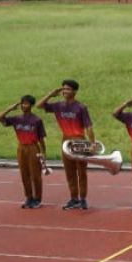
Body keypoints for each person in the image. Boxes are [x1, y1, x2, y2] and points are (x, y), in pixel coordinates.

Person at [37, 79, 95, 210]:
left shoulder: (81, 107)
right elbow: (39, 105)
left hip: (79, 140)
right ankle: (74, 198)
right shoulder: (58, 106)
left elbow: (89, 126)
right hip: (66, 140)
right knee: (69, 171)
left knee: (81, 171)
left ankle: (83, 199)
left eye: (68, 89)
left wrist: (92, 143)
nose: (65, 91)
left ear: (75, 91)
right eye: (63, 89)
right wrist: (51, 94)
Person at [0, 95, 47, 208]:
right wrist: (10, 108)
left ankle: (37, 199)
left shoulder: (37, 120)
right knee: (24, 175)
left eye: (27, 103)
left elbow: (41, 139)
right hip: (21, 148)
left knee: (35, 175)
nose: (24, 105)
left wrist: (43, 153)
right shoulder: (16, 119)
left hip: (33, 148)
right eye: (22, 103)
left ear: (31, 105)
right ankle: (29, 197)